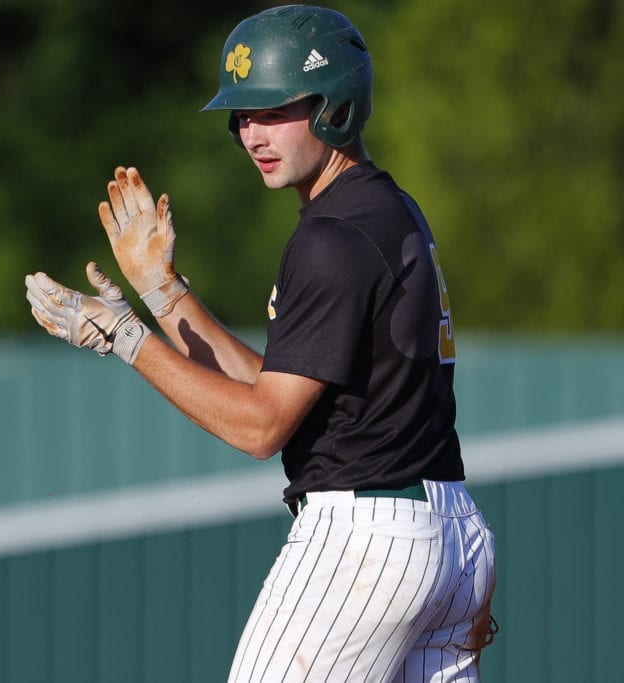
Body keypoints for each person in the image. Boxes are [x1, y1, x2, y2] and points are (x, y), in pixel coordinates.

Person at [25, 4, 496, 681]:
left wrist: (124, 336)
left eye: (274, 109)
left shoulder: (330, 238)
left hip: (366, 543)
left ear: (335, 105)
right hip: (449, 532)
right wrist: (166, 295)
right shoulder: (386, 209)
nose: (252, 133)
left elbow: (260, 425)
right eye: (242, 116)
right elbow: (281, 384)